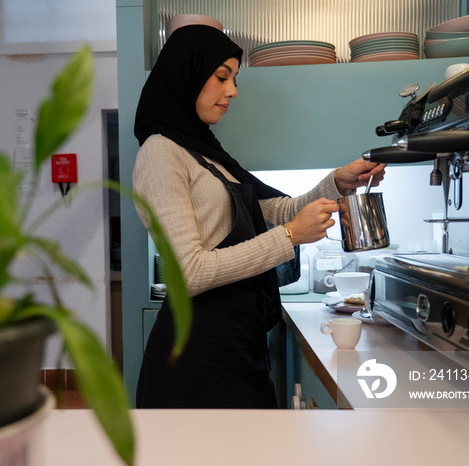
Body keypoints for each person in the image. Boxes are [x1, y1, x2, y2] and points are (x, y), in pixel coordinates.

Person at [132, 24, 385, 409]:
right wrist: (289, 236)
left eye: (234, 78)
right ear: (187, 75)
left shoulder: (206, 153)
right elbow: (191, 273)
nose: (233, 91)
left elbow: (277, 210)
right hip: (195, 357)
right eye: (221, 77)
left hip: (235, 340)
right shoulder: (160, 153)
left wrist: (337, 182)